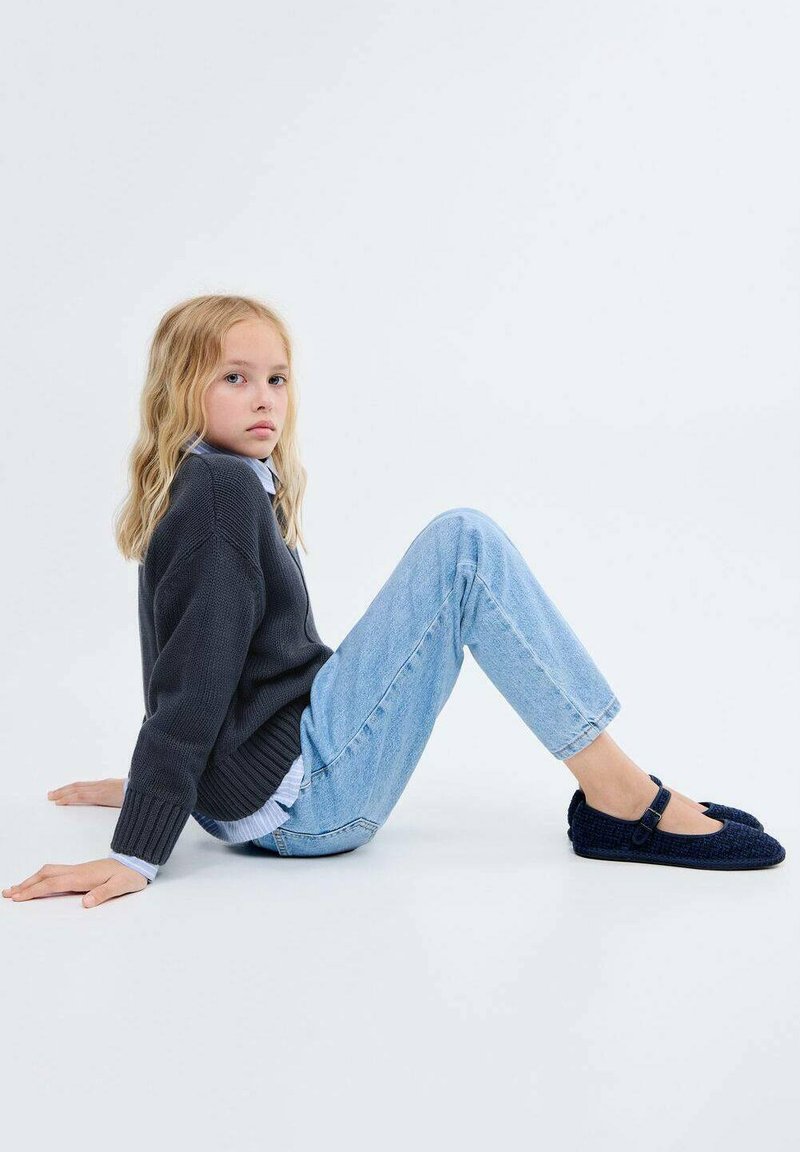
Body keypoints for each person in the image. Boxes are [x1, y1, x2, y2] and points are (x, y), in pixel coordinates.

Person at [3, 295, 785, 909]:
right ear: (181, 388)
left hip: (271, 783)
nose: (264, 398)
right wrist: (139, 843)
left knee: (460, 546)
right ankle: (619, 794)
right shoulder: (219, 494)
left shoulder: (215, 482)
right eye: (235, 377)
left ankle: (618, 790)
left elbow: (201, 660)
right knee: (464, 547)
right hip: (308, 805)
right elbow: (193, 675)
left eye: (277, 378)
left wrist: (167, 786)